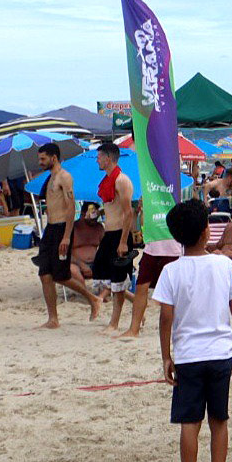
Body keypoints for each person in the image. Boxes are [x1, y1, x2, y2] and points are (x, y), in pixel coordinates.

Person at [154, 199, 232, 462]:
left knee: (189, 423)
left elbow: (166, 317)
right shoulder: (223, 264)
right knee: (219, 421)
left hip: (189, 356)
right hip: (221, 352)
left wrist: (166, 356)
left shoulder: (171, 271)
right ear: (207, 232)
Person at [34, 143, 100, 326]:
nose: (40, 162)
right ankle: (53, 319)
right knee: (45, 274)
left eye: (43, 159)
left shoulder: (64, 177)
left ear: (53, 158)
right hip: (50, 229)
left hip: (62, 229)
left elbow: (71, 208)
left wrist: (66, 236)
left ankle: (93, 299)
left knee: (60, 275)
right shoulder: (49, 178)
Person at [118, 203, 183, 340]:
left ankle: (178, 328)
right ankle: (134, 329)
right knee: (141, 287)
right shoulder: (150, 196)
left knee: (174, 292)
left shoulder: (175, 190)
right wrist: (142, 210)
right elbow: (143, 226)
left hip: (172, 247)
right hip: (152, 247)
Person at [92, 142, 135, 332]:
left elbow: (128, 213)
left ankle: (114, 323)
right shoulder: (108, 180)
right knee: (103, 274)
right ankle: (138, 303)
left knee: (117, 281)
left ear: (108, 158)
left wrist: (124, 241)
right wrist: (98, 212)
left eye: (99, 157)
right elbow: (112, 206)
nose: (97, 160)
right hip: (109, 234)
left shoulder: (121, 180)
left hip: (120, 235)